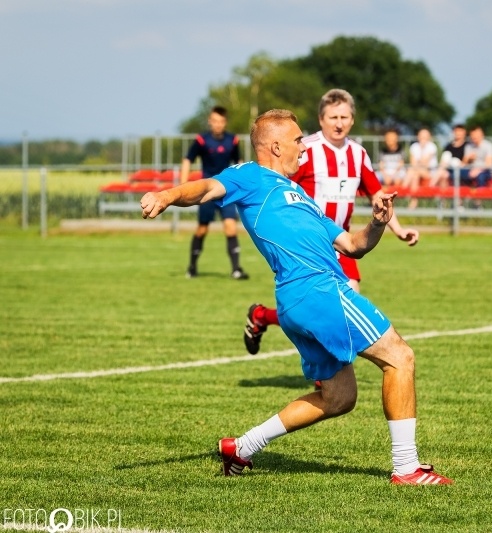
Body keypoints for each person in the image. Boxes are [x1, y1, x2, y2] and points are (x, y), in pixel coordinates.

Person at [140, 109, 452, 485]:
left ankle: (242, 447)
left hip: (299, 300)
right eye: (298, 139)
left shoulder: (300, 195)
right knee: (400, 357)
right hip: (316, 289)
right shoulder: (251, 177)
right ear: (275, 146)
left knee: (340, 398)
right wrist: (167, 194)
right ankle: (407, 469)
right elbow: (206, 188)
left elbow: (353, 245)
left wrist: (378, 222)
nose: (304, 147)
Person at [244, 89, 419, 355]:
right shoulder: (305, 150)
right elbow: (280, 185)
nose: (339, 123)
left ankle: (262, 316)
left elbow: (378, 195)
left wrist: (399, 229)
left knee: (342, 309)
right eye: (333, 116)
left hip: (342, 241)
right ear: (321, 118)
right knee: (322, 311)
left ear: (352, 119)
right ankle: (325, 380)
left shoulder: (358, 154)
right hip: (312, 244)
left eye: (345, 117)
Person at [180, 106, 247, 280]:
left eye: (221, 121)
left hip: (227, 190)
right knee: (202, 229)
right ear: (210, 121)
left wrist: (241, 183)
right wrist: (183, 184)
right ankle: (192, 267)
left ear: (225, 122)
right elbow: (188, 159)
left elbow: (238, 162)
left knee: (230, 227)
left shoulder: (233, 140)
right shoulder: (202, 140)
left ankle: (236, 269)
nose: (218, 124)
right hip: (207, 191)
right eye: (215, 121)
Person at [403, 127, 439, 208]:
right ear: (418, 136)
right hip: (417, 173)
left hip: (430, 174)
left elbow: (425, 164)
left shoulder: (432, 146)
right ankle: (413, 202)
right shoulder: (414, 146)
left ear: (429, 137)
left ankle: (402, 191)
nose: (423, 138)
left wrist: (421, 151)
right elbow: (413, 163)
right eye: (421, 135)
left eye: (425, 136)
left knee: (412, 171)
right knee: (414, 174)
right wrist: (418, 164)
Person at [432, 124, 468, 188]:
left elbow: (465, 161)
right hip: (449, 169)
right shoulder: (449, 146)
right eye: (456, 131)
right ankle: (442, 195)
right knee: (443, 173)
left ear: (464, 132)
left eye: (460, 131)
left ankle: (430, 188)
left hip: (461, 169)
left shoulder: (468, 145)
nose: (458, 133)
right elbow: (444, 161)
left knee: (446, 168)